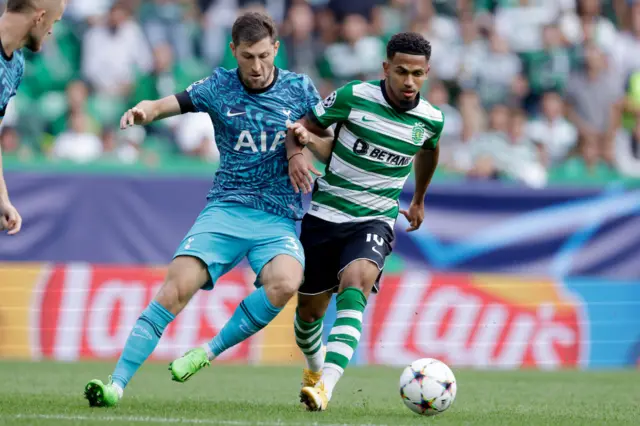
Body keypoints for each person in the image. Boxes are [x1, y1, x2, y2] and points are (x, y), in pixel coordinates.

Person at [84, 11, 324, 407]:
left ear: (276, 48)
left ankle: (206, 351)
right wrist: (147, 110)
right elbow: (171, 102)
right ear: (234, 51)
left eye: (265, 55)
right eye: (248, 56)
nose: (258, 66)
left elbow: (325, 138)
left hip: (276, 217)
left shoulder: (300, 89)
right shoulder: (219, 86)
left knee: (285, 283)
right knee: (174, 291)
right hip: (226, 209)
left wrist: (302, 145)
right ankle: (116, 385)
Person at [285, 32, 443, 411]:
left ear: (427, 73)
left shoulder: (432, 120)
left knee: (356, 283)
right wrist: (297, 153)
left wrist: (418, 198)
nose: (409, 81)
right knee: (309, 314)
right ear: (386, 68)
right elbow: (300, 128)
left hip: (375, 219)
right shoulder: (353, 97)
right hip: (325, 216)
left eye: (418, 74)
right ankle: (314, 368)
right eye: (401, 71)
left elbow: (429, 152)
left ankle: (326, 387)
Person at [0, 0, 67, 235]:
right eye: (53, 22)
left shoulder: (15, 65)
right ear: (39, 18)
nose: (51, 31)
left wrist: (2, 199)